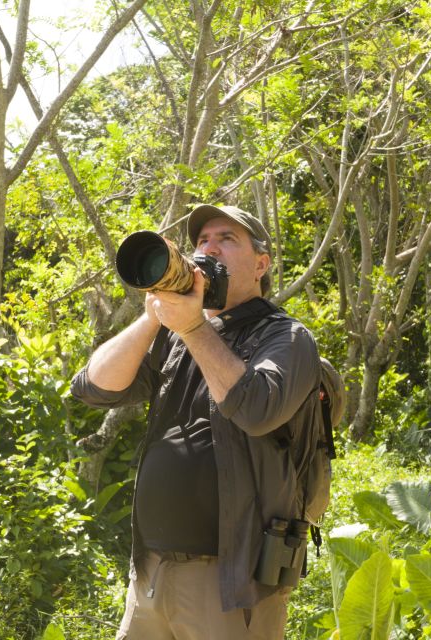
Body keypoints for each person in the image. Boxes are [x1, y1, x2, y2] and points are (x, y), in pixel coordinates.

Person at [71, 204, 323, 640]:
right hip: (150, 572)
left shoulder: (286, 337)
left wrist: (192, 329)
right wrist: (154, 316)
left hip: (229, 580)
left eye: (227, 239)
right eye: (202, 240)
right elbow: (93, 388)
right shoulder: (176, 333)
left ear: (261, 264)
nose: (209, 249)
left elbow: (257, 409)